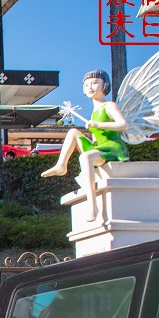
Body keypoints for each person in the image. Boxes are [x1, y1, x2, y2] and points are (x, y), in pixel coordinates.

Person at [41, 68, 129, 217]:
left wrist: (98, 125)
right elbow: (97, 138)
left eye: (95, 83)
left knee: (85, 157)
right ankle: (61, 165)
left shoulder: (109, 106)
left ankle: (92, 206)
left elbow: (123, 125)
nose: (90, 87)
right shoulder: (95, 111)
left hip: (113, 149)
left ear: (104, 85)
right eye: (87, 84)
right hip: (100, 148)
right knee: (73, 132)